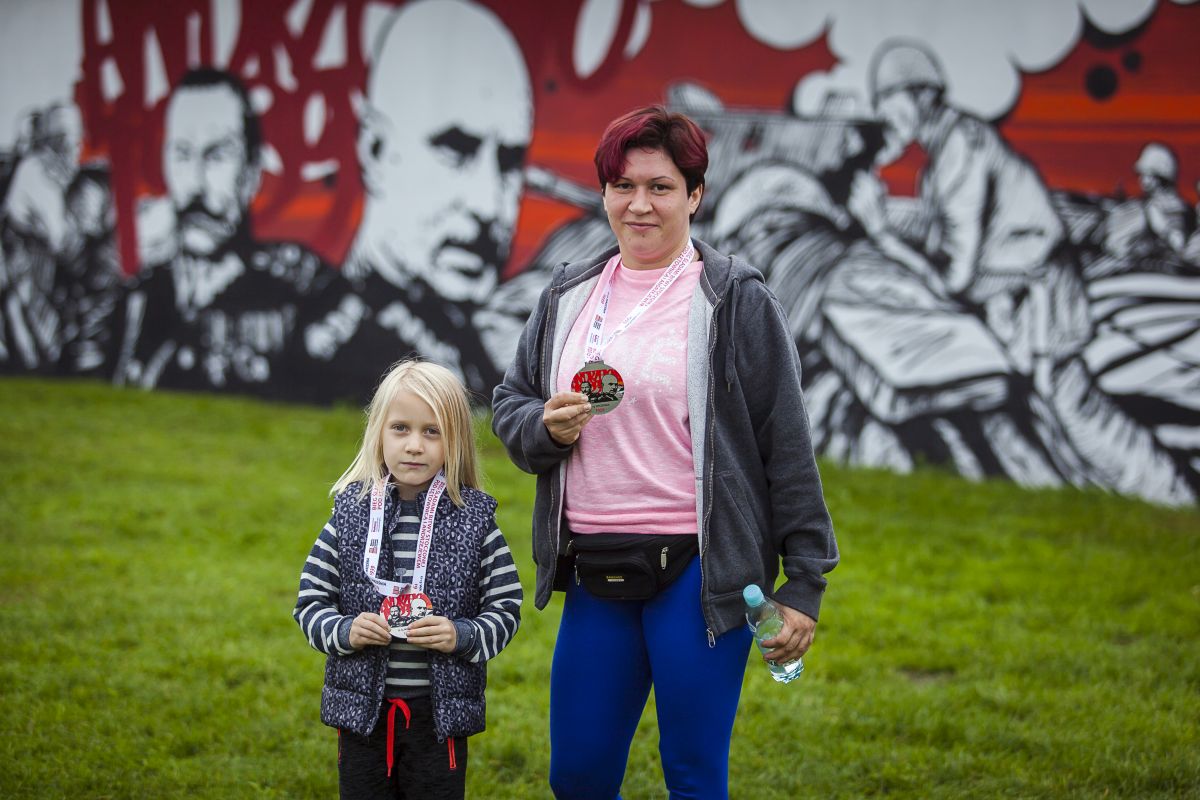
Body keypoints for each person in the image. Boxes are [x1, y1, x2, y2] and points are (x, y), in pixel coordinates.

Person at [492, 105, 838, 799]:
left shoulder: (734, 298)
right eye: (623, 186)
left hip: (701, 572)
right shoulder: (566, 293)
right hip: (595, 568)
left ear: (695, 195)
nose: (639, 204)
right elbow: (511, 403)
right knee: (577, 778)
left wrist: (804, 581)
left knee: (693, 776)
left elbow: (786, 444)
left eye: (660, 187)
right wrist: (543, 428)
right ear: (604, 193)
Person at [294, 359, 523, 799]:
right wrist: (345, 631)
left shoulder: (475, 523)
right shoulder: (349, 516)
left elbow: (506, 608)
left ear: (455, 440)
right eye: (400, 428)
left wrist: (461, 635)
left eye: (432, 431)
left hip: (439, 719)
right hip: (361, 714)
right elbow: (310, 604)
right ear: (378, 433)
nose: (414, 445)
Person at [304, 0, 536, 400]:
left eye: (509, 161)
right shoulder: (331, 340)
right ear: (376, 150)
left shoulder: (487, 341)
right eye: (456, 149)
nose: (488, 204)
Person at [109, 67, 335, 395]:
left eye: (216, 156)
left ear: (252, 171)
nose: (195, 183)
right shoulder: (139, 298)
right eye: (182, 154)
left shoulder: (298, 289)